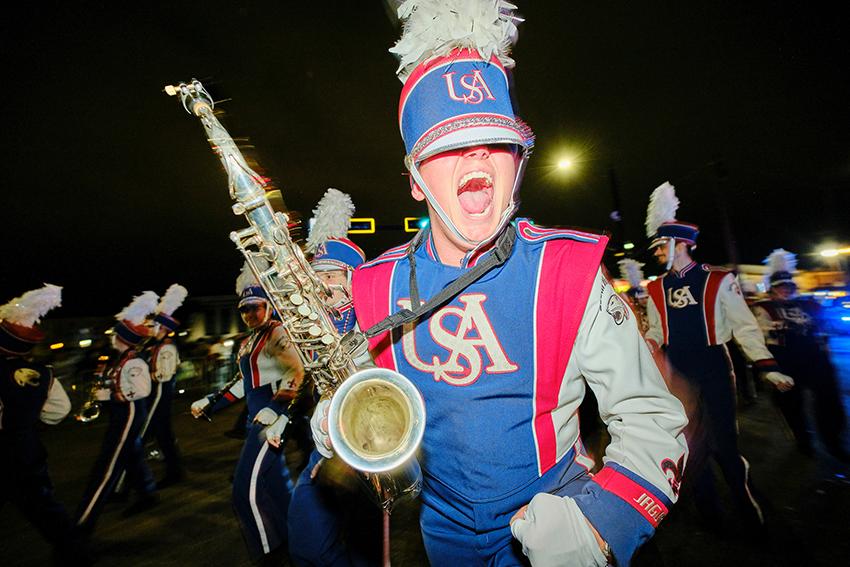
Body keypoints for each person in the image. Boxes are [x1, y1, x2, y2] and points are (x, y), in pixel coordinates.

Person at [313, 3, 689, 565]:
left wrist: (604, 524)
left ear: (517, 160)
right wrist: (341, 416)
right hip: (442, 531)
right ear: (416, 178)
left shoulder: (568, 269)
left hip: (558, 514)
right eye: (449, 145)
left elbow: (650, 417)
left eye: (495, 139)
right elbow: (373, 401)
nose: (476, 153)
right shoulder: (374, 285)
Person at [643, 182, 795, 531]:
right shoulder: (654, 288)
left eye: (660, 245)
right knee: (690, 449)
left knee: (725, 446)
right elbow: (655, 331)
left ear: (680, 244)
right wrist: (645, 346)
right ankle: (710, 516)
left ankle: (747, 510)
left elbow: (745, 327)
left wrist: (766, 367)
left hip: (714, 366)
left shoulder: (719, 280)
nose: (657, 252)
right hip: (676, 371)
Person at [287, 188, 380, 567]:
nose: (323, 284)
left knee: (366, 549)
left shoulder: (374, 321)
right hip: (325, 446)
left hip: (367, 452)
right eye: (317, 275)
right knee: (307, 537)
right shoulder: (319, 324)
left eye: (331, 274)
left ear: (353, 277)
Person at [191, 264, 304, 564]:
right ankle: (297, 544)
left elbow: (298, 371)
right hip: (258, 419)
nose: (251, 314)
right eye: (245, 310)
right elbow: (245, 384)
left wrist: (276, 408)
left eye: (256, 307)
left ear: (269, 306)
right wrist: (211, 403)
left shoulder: (278, 332)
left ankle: (270, 555)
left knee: (245, 491)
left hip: (269, 423)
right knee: (276, 489)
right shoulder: (250, 341)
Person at [1, 284, 88, 565]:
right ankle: (74, 552)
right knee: (44, 507)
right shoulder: (43, 374)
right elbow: (58, 412)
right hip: (26, 451)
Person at [74, 292, 159, 537]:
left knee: (106, 467)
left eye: (115, 335)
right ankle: (147, 491)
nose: (112, 338)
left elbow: (141, 391)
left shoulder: (133, 362)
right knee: (130, 453)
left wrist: (112, 396)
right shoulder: (118, 359)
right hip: (121, 412)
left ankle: (82, 527)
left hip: (130, 412)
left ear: (123, 338)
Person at [752, 249, 849, 462]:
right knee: (790, 405)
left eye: (788, 286)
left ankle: (834, 442)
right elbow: (761, 335)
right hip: (785, 361)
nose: (785, 290)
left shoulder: (809, 303)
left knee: (829, 402)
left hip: (815, 360)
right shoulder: (763, 307)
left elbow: (826, 324)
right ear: (773, 289)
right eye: (780, 287)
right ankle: (802, 440)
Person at [142, 283, 188, 487]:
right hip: (156, 392)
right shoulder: (155, 346)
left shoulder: (166, 348)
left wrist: (148, 374)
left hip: (161, 391)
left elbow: (164, 374)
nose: (150, 329)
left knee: (159, 432)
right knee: (163, 434)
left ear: (163, 328)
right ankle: (174, 470)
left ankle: (174, 471)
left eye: (154, 326)